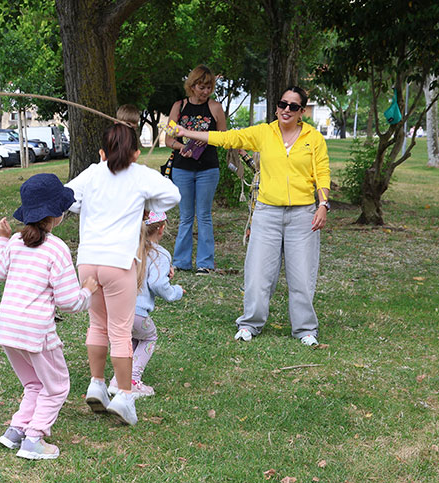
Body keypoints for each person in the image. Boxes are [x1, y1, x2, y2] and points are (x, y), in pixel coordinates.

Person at [173, 86, 330, 346]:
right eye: (282, 104)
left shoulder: (313, 139)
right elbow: (227, 138)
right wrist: (185, 132)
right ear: (277, 106)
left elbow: (321, 172)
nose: (286, 110)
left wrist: (323, 204)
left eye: (293, 106)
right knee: (257, 273)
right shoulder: (264, 133)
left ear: (302, 111)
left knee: (302, 275)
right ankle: (249, 324)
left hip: (303, 214)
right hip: (267, 212)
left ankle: (305, 329)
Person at [67, 122, 181, 426]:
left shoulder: (93, 172)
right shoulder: (140, 174)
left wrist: (89, 208)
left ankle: (97, 384)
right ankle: (125, 398)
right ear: (136, 152)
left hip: (88, 262)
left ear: (103, 151)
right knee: (119, 330)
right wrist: (147, 203)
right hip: (118, 263)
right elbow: (173, 195)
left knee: (97, 324)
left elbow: (67, 196)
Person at [0, 174, 98, 460]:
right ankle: (34, 439)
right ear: (57, 214)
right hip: (36, 331)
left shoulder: (14, 241)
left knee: (33, 383)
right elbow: (67, 302)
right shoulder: (57, 249)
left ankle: (15, 430)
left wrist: (0, 241)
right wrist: (87, 292)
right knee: (57, 385)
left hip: (9, 329)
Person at [109, 211, 183, 397]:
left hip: (115, 309)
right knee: (149, 337)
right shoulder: (160, 254)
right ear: (161, 229)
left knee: (131, 339)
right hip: (137, 313)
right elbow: (158, 283)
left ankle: (117, 380)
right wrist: (176, 291)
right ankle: (132, 380)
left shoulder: (126, 248)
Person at [166, 65, 227, 275]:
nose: (205, 91)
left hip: (208, 168)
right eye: (201, 86)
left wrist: (205, 142)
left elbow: (224, 138)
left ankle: (205, 263)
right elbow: (168, 139)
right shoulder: (179, 106)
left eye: (209, 87)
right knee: (185, 216)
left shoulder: (215, 108)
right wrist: (183, 147)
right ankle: (181, 261)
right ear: (192, 86)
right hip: (182, 168)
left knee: (204, 215)